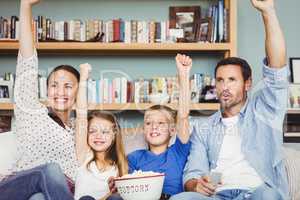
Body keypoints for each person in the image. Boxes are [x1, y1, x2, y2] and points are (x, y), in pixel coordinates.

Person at [170, 0, 289, 200]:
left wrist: (268, 12)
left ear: (247, 84)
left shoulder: (265, 110)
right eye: (220, 80)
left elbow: (276, 70)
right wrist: (196, 185)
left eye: (232, 80)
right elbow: (191, 174)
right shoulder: (203, 128)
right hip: (218, 195)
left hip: (257, 193)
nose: (224, 86)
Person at [0, 0, 89, 199]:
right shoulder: (32, 112)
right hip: (20, 187)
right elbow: (27, 61)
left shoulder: (77, 131)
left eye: (68, 86)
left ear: (77, 93)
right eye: (54, 85)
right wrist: (25, 7)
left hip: (52, 194)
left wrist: (84, 76)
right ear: (47, 90)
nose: (60, 91)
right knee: (50, 171)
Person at [118, 54, 192, 199]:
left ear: (172, 130)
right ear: (143, 129)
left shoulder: (178, 152)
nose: (154, 127)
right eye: (148, 123)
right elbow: (128, 190)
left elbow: (183, 115)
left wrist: (183, 75)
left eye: (160, 123)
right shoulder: (134, 157)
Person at [74, 65, 128, 200]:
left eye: (104, 132)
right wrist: (83, 77)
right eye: (92, 131)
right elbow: (81, 115)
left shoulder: (118, 166)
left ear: (114, 135)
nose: (98, 136)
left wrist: (112, 193)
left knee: (116, 198)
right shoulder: (84, 155)